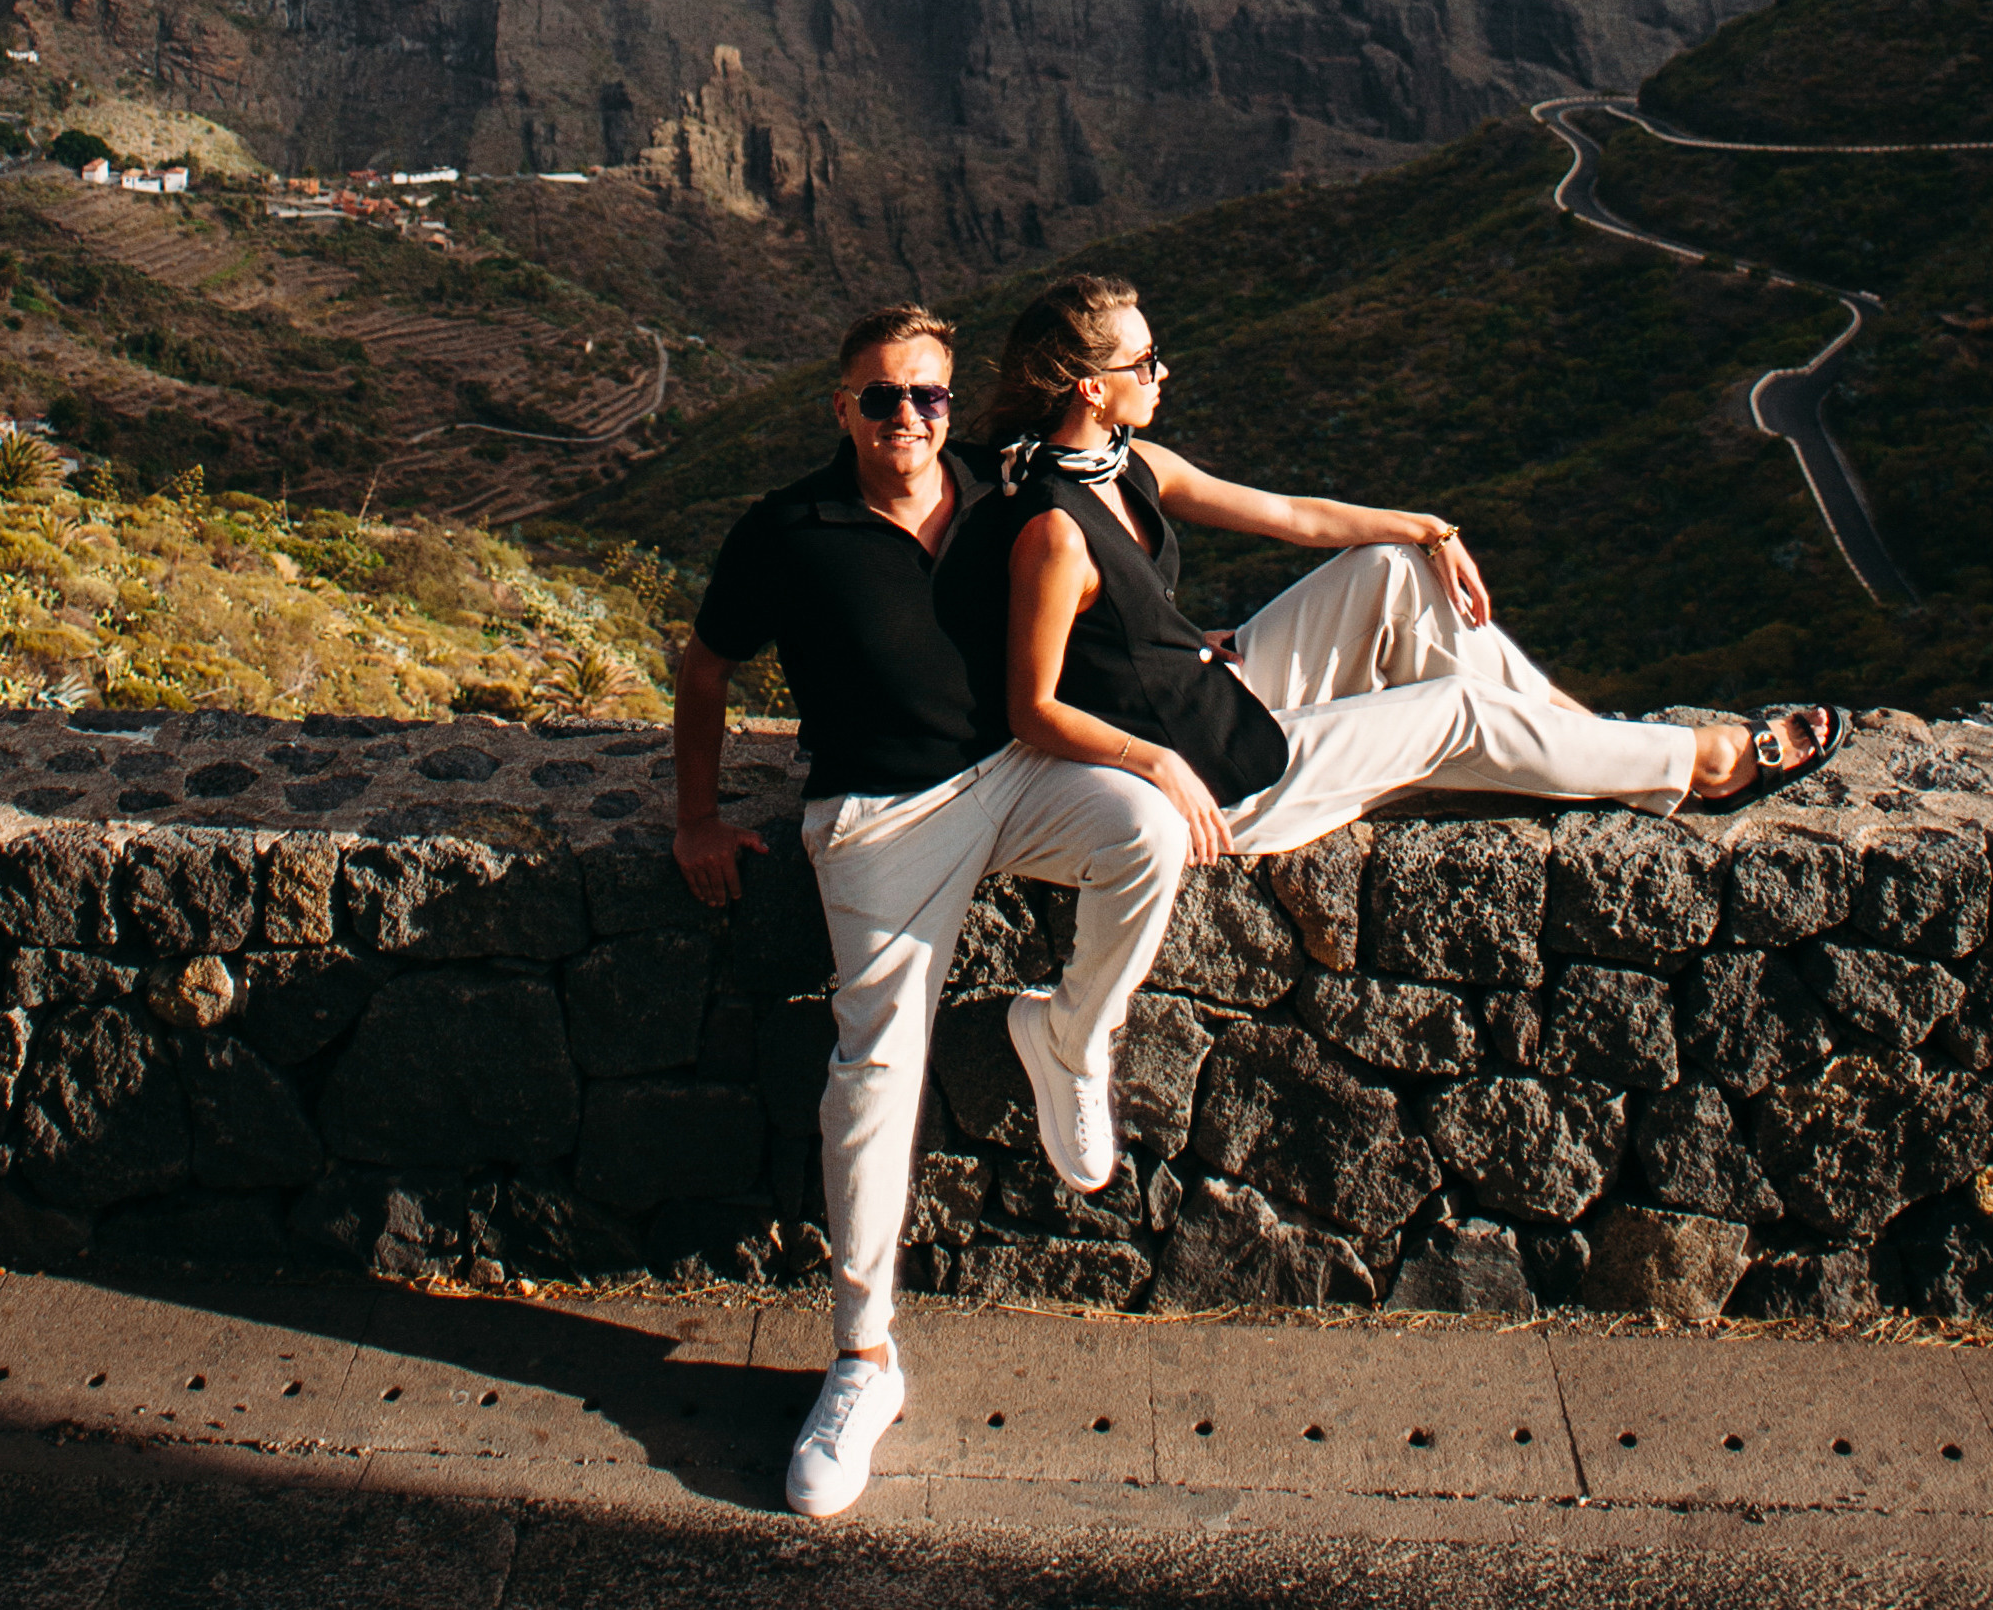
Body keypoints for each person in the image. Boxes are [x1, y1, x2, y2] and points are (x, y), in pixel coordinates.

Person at [674, 299, 1189, 1522]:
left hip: (1009, 775)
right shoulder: (786, 526)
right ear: (840, 405)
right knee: (875, 1068)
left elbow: (1104, 564)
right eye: (880, 394)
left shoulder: (1000, 492)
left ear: (953, 404)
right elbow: (705, 666)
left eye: (927, 393)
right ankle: (861, 1359)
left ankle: (1069, 1032)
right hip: (879, 816)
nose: (905, 414)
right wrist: (695, 820)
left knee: (1151, 831)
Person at [949, 270, 1847, 863]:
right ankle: (1705, 765)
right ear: (1091, 387)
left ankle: (1588, 745)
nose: (1163, 372)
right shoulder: (1054, 529)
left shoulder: (1132, 464)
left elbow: (1293, 517)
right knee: (1455, 708)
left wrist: (1427, 529)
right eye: (1145, 361)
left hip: (1212, 695)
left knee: (1388, 569)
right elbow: (1034, 707)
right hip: (1219, 775)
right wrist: (1156, 761)